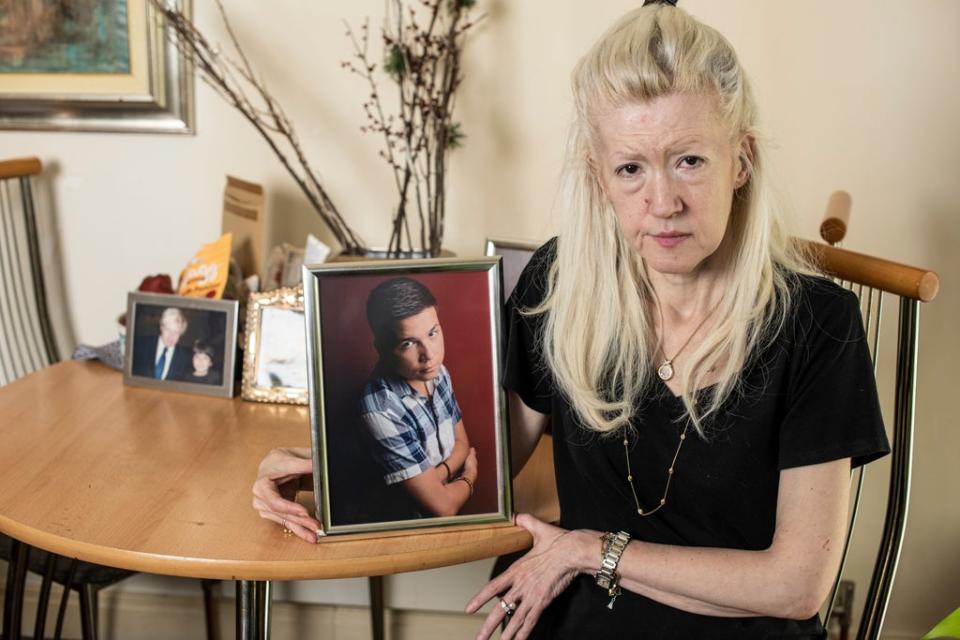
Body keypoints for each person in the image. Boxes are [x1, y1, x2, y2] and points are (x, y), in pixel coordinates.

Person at [252, 2, 889, 637]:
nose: (662, 203)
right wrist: (330, 472)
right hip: (577, 613)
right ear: (599, 177)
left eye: (690, 160)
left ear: (741, 161)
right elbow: (487, 465)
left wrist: (591, 550)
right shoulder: (562, 285)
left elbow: (797, 586)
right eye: (630, 168)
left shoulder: (817, 324)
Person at [357, 277, 477, 521]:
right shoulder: (379, 408)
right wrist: (469, 477)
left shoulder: (438, 373)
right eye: (408, 343)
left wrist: (437, 477)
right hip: (402, 532)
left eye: (432, 333)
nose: (429, 355)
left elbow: (462, 442)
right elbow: (443, 508)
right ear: (381, 348)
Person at [131, 307, 191, 381]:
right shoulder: (141, 345)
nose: (171, 336)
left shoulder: (185, 358)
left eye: (176, 332)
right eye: (168, 329)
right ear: (161, 327)